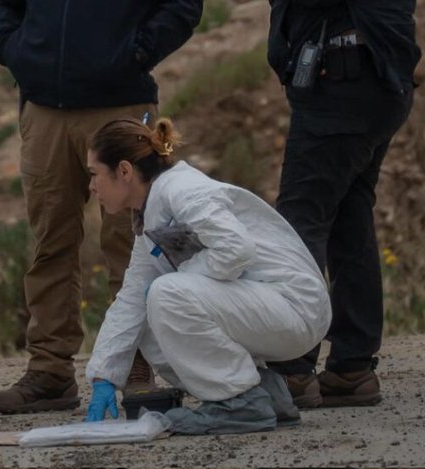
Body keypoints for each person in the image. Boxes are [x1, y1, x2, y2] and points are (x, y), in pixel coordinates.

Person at [0, 0, 204, 415]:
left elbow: (185, 2)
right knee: (50, 242)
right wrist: (17, 54)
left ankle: (135, 368)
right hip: (45, 111)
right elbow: (7, 2)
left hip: (119, 108)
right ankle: (49, 372)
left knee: (130, 242)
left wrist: (132, 54)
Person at [231, 0, 421, 410]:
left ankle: (290, 369)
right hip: (364, 90)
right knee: (347, 221)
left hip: (345, 93)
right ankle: (351, 367)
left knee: (299, 224)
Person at [84, 117, 331, 434]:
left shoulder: (185, 192)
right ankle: (265, 394)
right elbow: (131, 299)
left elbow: (235, 250)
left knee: (165, 295)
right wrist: (104, 376)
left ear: (124, 171)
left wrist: (178, 283)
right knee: (150, 304)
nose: (91, 187)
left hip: (295, 307)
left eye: (94, 175)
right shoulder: (152, 216)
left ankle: (238, 405)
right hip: (270, 308)